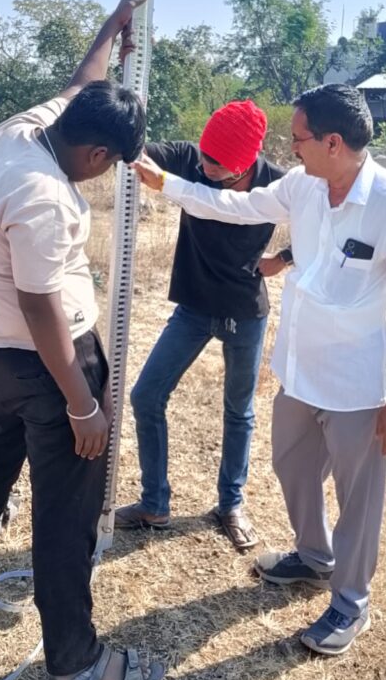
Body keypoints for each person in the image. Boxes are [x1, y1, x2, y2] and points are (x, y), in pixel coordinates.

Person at [133, 84, 386, 656]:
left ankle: (350, 602)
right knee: (292, 467)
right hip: (300, 371)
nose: (291, 148)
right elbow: (235, 206)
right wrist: (168, 185)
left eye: (299, 138)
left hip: (358, 382)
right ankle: (314, 558)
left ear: (333, 142)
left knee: (358, 497)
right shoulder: (303, 186)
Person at [0, 0, 164, 680]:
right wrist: (81, 404)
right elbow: (40, 305)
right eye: (111, 165)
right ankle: (75, 659)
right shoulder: (43, 194)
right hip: (50, 364)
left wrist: (112, 28)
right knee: (67, 511)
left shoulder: (24, 130)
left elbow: (82, 83)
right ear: (98, 154)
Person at [115, 100, 289, 550]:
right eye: (205, 157)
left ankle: (231, 504)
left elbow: (323, 221)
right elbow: (136, 149)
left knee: (239, 411)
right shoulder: (190, 160)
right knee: (146, 395)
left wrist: (286, 257)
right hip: (193, 307)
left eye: (218, 164)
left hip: (245, 310)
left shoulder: (277, 183)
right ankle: (154, 503)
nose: (206, 168)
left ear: (247, 160)